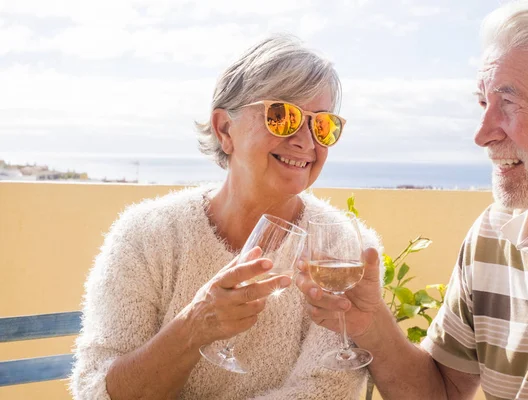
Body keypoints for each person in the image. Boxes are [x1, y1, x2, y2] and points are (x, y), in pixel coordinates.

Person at [296, 0, 528, 399]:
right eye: (482, 103)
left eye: (508, 103)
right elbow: (442, 390)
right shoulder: (494, 234)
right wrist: (370, 325)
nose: (482, 134)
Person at [70, 34, 381, 400]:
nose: (306, 141)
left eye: (322, 125)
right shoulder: (145, 236)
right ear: (224, 129)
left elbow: (326, 392)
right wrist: (193, 327)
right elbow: (96, 391)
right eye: (281, 116)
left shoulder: (342, 245)